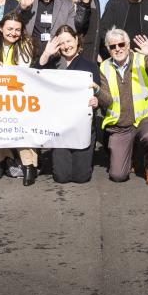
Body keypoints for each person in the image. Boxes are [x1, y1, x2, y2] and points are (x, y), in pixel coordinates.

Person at [97, 27, 148, 184]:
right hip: (120, 125)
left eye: (121, 44)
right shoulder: (104, 67)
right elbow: (107, 101)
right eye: (113, 46)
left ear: (128, 45)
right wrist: (96, 91)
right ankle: (133, 156)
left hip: (144, 118)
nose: (118, 49)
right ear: (108, 49)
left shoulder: (141, 59)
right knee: (118, 176)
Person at [37, 25, 99, 184]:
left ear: (77, 40)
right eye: (62, 43)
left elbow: (98, 92)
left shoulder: (90, 66)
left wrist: (96, 99)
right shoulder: (53, 64)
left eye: (69, 41)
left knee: (82, 178)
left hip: (82, 126)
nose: (66, 46)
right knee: (61, 177)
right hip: (60, 128)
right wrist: (46, 53)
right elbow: (34, 77)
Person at [0, 12, 39, 183]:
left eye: (17, 29)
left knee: (20, 130)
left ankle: (29, 165)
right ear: (1, 28)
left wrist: (2, 71)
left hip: (18, 96)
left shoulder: (26, 44)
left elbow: (22, 70)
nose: (13, 33)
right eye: (9, 29)